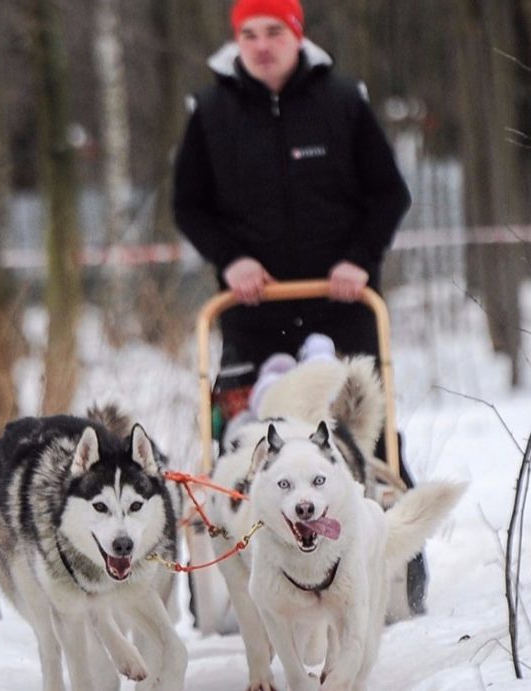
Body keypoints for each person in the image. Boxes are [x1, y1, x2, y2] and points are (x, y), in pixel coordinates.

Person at [172, 0, 427, 617]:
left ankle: (399, 571)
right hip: (252, 313)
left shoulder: (342, 101)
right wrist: (231, 259)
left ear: (296, 35)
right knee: (251, 434)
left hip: (343, 304)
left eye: (273, 33)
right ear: (237, 41)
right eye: (249, 34)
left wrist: (359, 259)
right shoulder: (211, 113)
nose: (261, 46)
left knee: (364, 436)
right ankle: (248, 574)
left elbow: (389, 193)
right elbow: (189, 206)